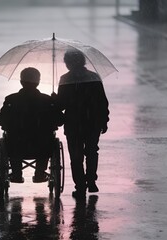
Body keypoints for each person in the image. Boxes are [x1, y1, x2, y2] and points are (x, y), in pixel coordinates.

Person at [55, 50, 109, 198]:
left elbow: (61, 105)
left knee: (76, 155)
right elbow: (102, 101)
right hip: (93, 121)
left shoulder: (65, 79)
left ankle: (80, 186)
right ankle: (91, 180)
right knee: (92, 151)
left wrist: (55, 99)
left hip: (73, 122)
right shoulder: (94, 77)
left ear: (68, 63)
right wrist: (104, 120)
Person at [0, 67, 63, 183]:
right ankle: (40, 173)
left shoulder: (11, 99)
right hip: (41, 145)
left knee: (12, 139)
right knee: (46, 139)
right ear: (38, 81)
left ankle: (16, 173)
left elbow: (1, 120)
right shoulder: (47, 100)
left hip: (17, 144)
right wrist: (55, 103)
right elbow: (59, 120)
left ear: (21, 81)